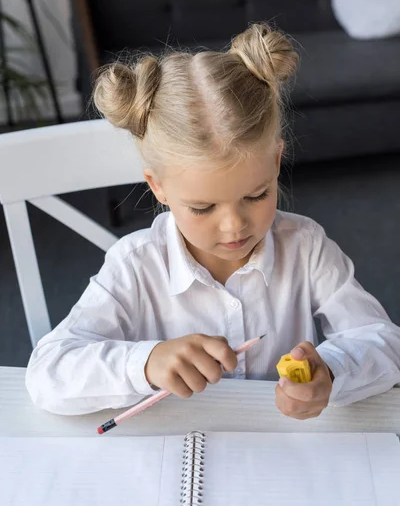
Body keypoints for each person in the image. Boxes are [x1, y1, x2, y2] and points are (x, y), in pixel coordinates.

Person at [25, 23, 400, 419]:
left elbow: (385, 343)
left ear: (275, 163)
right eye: (203, 208)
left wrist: (333, 370)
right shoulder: (135, 265)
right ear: (159, 187)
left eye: (256, 195)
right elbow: (47, 374)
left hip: (284, 453)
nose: (234, 226)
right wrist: (146, 363)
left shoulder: (305, 246)